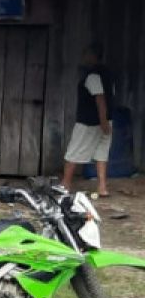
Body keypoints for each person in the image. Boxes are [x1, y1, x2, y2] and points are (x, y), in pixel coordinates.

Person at [62, 44, 114, 197]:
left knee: (73, 152)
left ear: (92, 56)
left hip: (89, 122)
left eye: (85, 54)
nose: (83, 58)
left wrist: (102, 121)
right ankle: (102, 188)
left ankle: (65, 185)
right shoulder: (107, 74)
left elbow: (100, 99)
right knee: (101, 154)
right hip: (106, 120)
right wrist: (106, 121)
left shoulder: (93, 75)